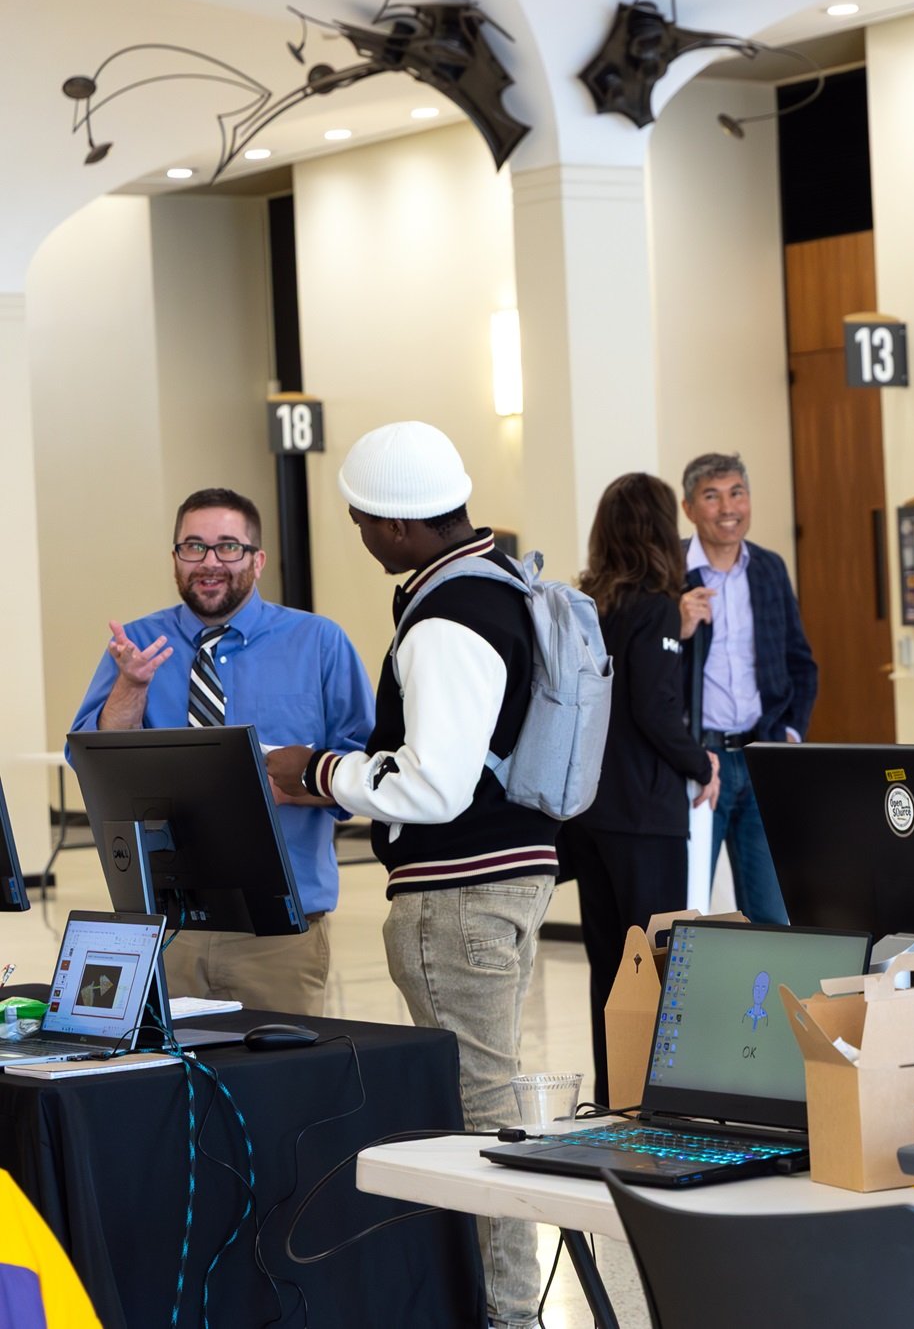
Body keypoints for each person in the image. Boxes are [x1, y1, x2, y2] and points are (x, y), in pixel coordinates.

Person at [264, 421, 556, 1329]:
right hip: (509, 874)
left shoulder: (448, 614)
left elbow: (433, 781)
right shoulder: (506, 583)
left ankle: (505, 1311)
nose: (362, 537)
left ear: (392, 528)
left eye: (359, 522)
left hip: (460, 886)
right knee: (490, 1095)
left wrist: (314, 770)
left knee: (479, 1111)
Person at [71, 488, 372, 1016]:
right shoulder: (137, 644)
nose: (210, 562)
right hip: (168, 928)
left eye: (228, 547)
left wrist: (272, 789)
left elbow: (364, 769)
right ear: (174, 560)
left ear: (257, 560)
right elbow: (94, 759)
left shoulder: (319, 642)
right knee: (169, 1090)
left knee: (282, 1088)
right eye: (194, 546)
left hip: (278, 932)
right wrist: (132, 687)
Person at [568, 473, 720, 1108]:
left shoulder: (588, 603)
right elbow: (656, 708)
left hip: (588, 813)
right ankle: (656, 1100)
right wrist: (701, 762)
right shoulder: (657, 603)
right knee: (657, 965)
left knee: (611, 968)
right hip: (644, 815)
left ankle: (615, 1095)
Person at [677, 453, 817, 925]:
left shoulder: (769, 568)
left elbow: (801, 662)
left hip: (763, 758)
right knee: (687, 907)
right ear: (689, 507)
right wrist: (677, 626)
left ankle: (768, 1002)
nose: (728, 507)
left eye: (737, 492)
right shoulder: (669, 572)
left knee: (773, 914)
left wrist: (791, 736)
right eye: (711, 496)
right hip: (699, 764)